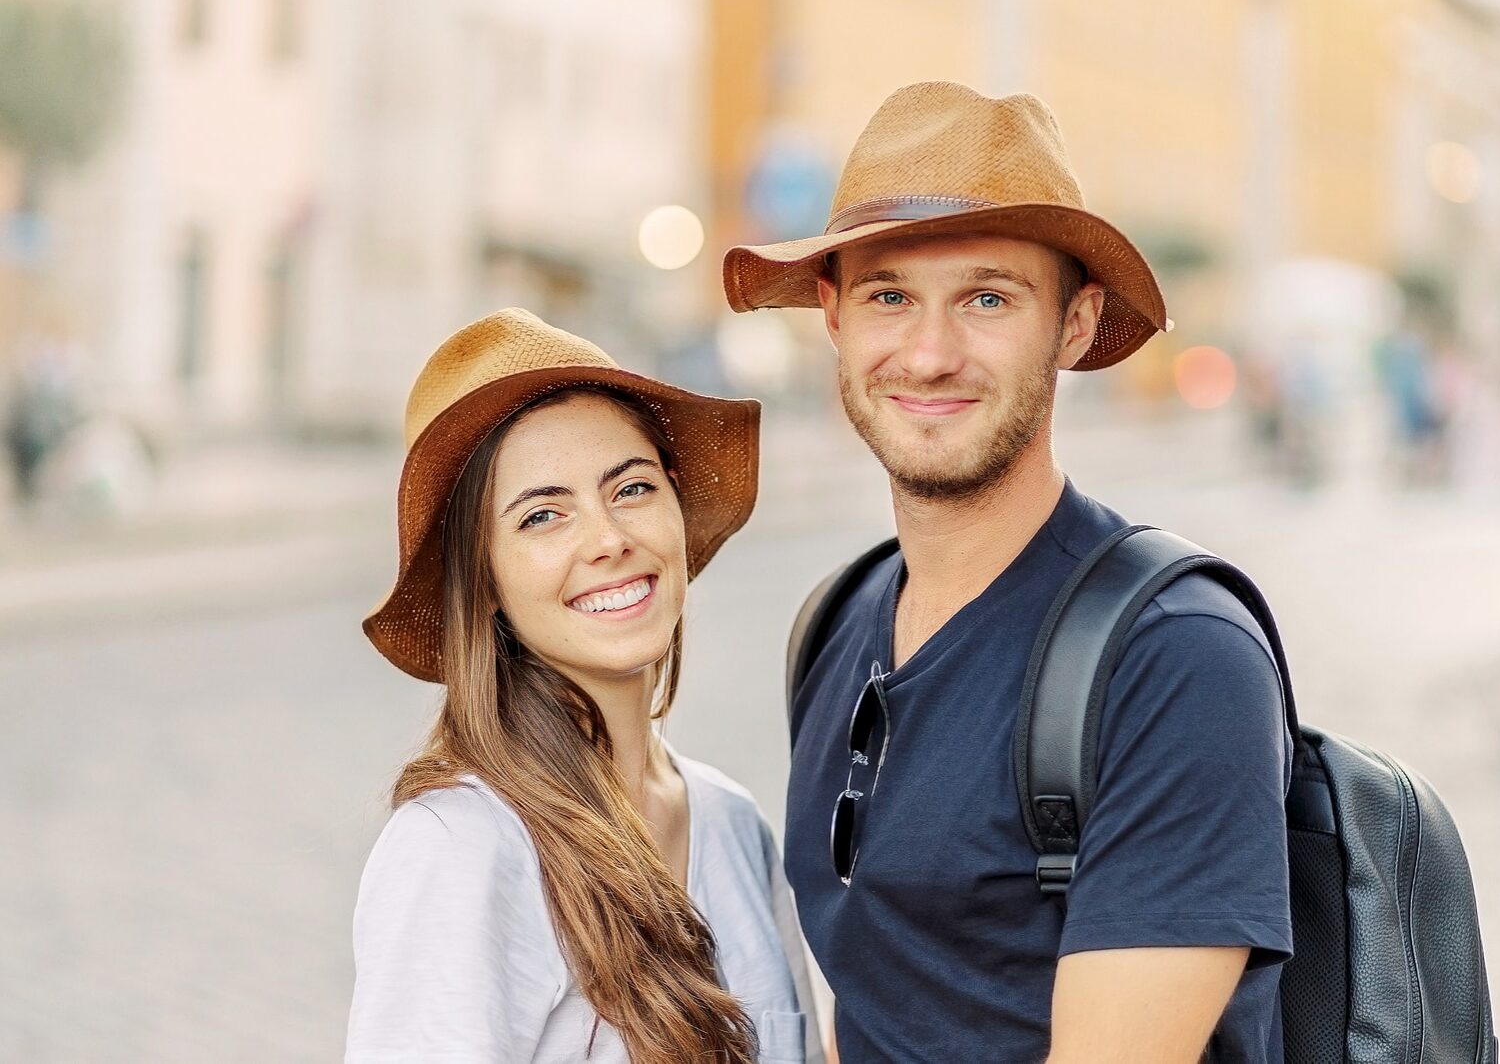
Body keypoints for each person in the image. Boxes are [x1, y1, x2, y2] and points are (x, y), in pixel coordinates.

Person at [724, 83, 1291, 1062]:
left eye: (987, 298)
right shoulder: (835, 623)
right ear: (832, 319)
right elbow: (878, 1013)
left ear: (1073, 326)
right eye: (888, 295)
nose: (929, 352)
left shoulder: (1174, 657)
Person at [348, 308, 822, 1063]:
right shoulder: (463, 846)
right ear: (485, 578)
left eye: (630, 489)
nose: (608, 539)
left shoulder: (734, 825)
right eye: (542, 515)